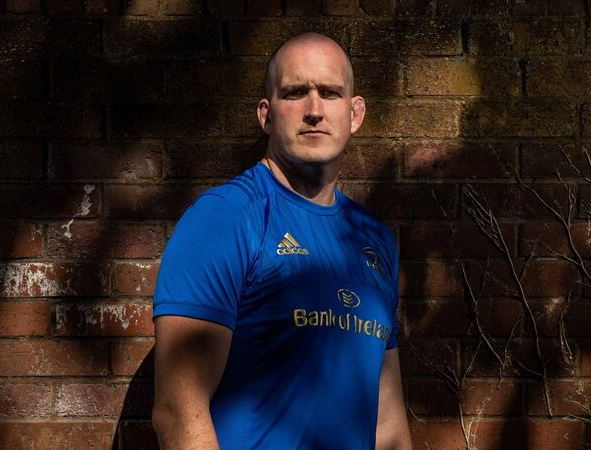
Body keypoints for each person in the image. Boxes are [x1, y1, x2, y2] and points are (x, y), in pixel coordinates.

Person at [151, 32, 412, 450]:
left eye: (330, 93)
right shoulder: (224, 218)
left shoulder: (375, 239)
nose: (314, 111)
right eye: (295, 93)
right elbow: (178, 409)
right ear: (267, 114)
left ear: (355, 113)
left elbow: (388, 421)